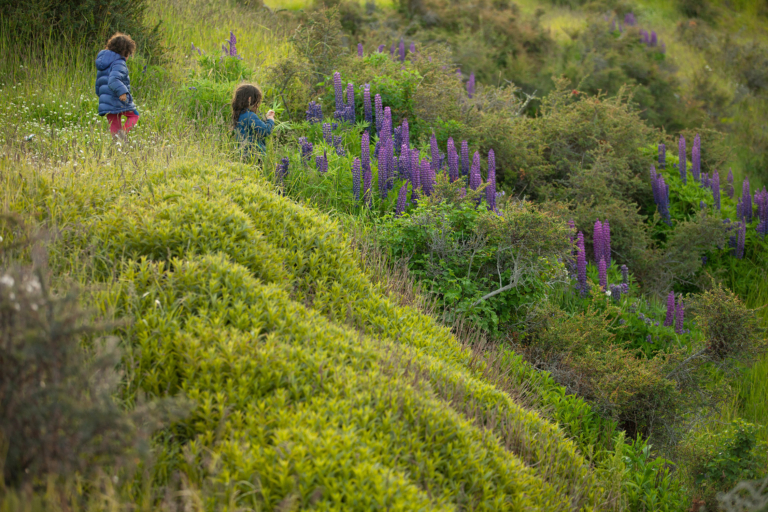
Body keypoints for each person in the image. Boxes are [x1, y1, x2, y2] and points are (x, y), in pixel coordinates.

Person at [95, 33, 139, 139]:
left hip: (106, 100)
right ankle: (122, 134)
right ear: (125, 52)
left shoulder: (103, 62)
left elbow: (99, 83)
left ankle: (117, 147)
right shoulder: (119, 62)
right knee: (134, 115)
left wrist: (102, 96)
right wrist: (122, 92)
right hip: (118, 98)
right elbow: (114, 79)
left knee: (115, 127)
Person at [231, 83, 275, 159]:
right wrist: (270, 120)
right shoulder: (250, 115)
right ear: (249, 99)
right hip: (254, 155)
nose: (257, 105)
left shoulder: (239, 115)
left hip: (242, 154)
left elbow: (255, 128)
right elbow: (265, 131)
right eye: (257, 101)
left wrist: (265, 119)